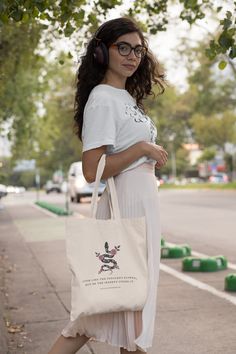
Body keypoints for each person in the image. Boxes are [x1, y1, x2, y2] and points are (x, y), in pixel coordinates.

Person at [48, 16, 168, 354]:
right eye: (124, 48)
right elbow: (91, 170)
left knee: (126, 312)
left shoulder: (125, 98)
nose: (132, 56)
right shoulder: (102, 97)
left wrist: (148, 156)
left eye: (139, 50)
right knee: (117, 309)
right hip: (124, 208)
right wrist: (143, 149)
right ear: (103, 52)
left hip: (142, 206)